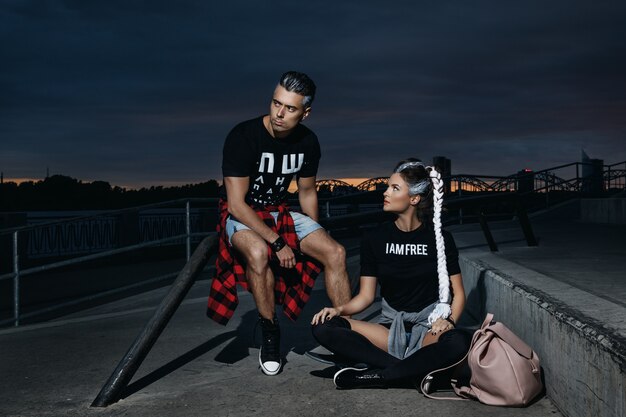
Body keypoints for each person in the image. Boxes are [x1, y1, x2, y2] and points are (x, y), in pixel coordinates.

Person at [207, 71, 351, 376]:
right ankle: (271, 333)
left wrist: (313, 231)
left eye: (290, 108)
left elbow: (308, 191)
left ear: (306, 112)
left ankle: (345, 336)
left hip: (279, 211)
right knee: (258, 253)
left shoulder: (308, 142)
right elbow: (236, 204)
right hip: (242, 213)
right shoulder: (243, 136)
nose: (279, 114)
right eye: (276, 103)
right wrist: (279, 242)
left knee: (335, 252)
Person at [310, 159, 470, 389]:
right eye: (387, 186)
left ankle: (379, 375)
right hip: (389, 328)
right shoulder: (375, 238)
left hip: (429, 327)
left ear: (414, 199)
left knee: (458, 342)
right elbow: (366, 296)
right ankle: (411, 372)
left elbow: (459, 295)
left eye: (395, 188)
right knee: (323, 326)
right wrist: (338, 310)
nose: (385, 193)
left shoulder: (440, 239)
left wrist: (449, 321)